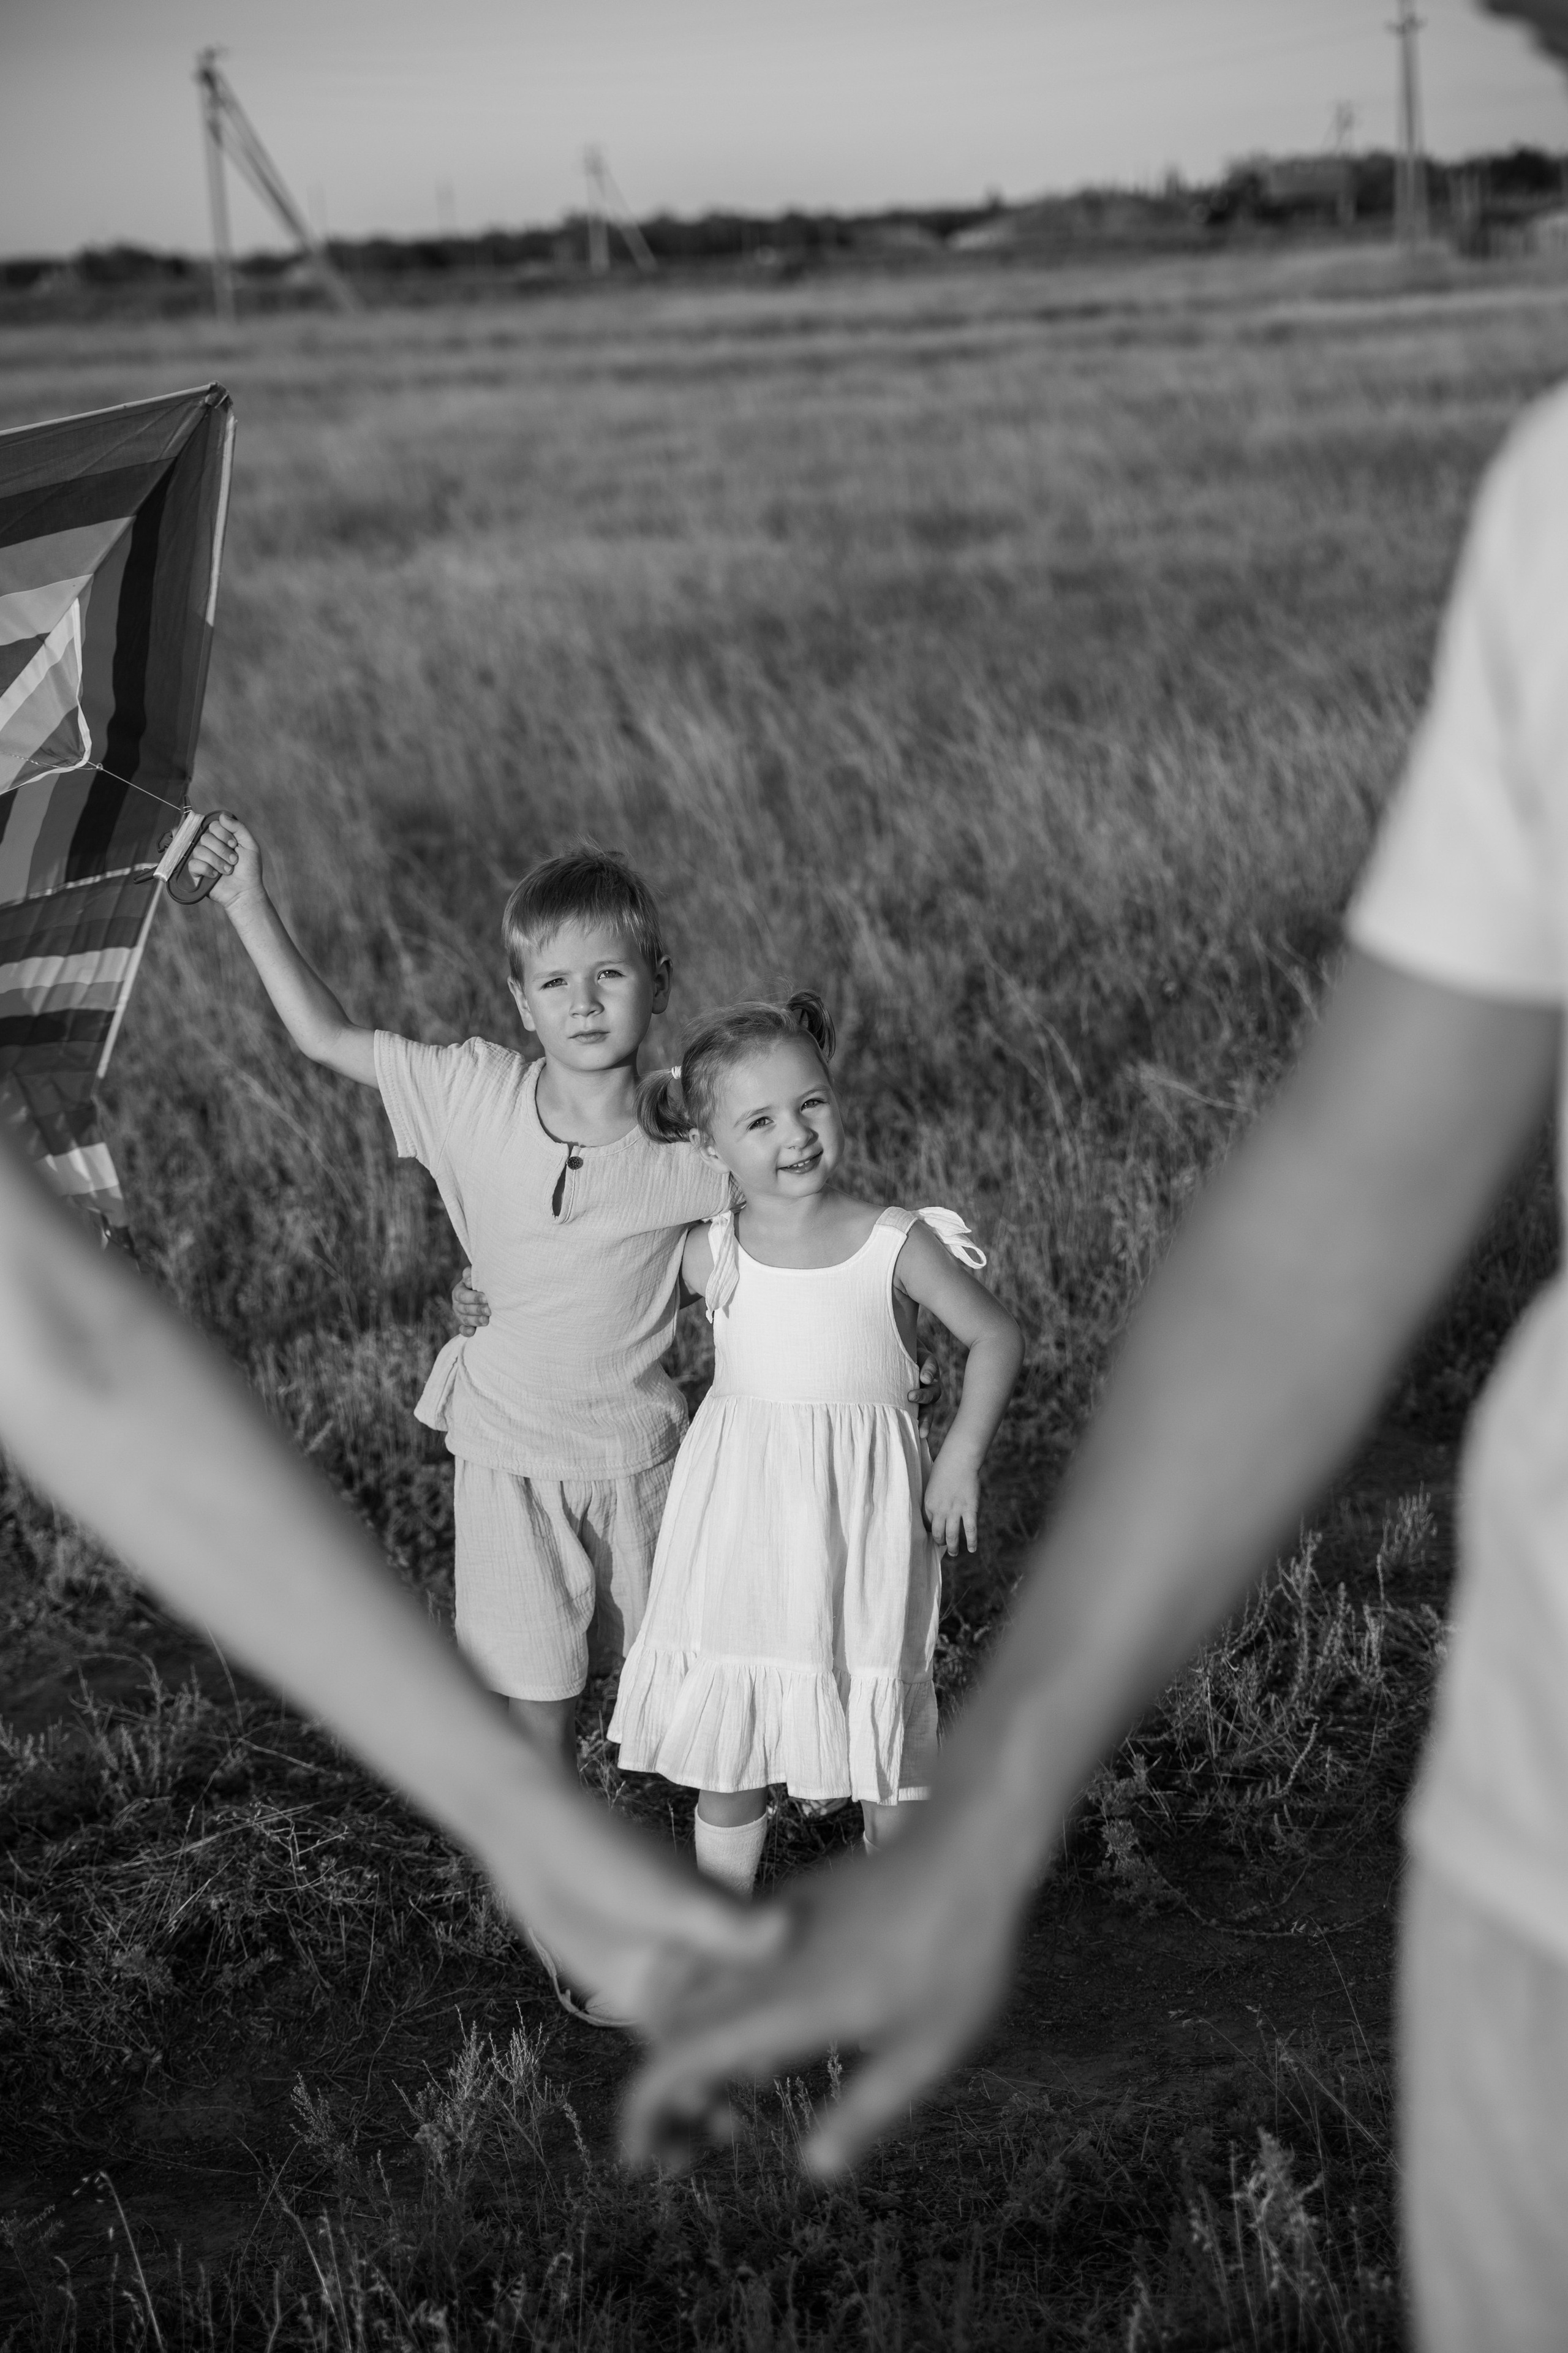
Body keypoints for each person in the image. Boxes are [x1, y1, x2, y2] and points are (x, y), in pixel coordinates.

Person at [624, 368, 1568, 2345]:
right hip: (1537, 1830)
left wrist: (961, 1480)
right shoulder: (1553, 510)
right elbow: (1332, 1220)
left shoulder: (887, 1234)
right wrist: (993, 1810)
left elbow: (1017, 1326)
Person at [0, 1124, 778, 2031]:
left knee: (677, 1681)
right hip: (513, 1452)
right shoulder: (512, 1122)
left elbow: (704, 1228)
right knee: (541, 1694)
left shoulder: (667, 1167)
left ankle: (698, 1895)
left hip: (627, 1448)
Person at [606, 993, 1023, 1898]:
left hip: (864, 1517)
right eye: (759, 1121)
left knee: (882, 1717)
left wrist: (959, 1455)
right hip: (744, 1518)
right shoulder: (713, 1250)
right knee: (737, 1730)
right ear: (710, 1149)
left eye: (813, 1103)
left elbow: (995, 1337)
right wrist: (484, 1302)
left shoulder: (891, 1241)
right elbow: (602, 1285)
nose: (795, 1134)